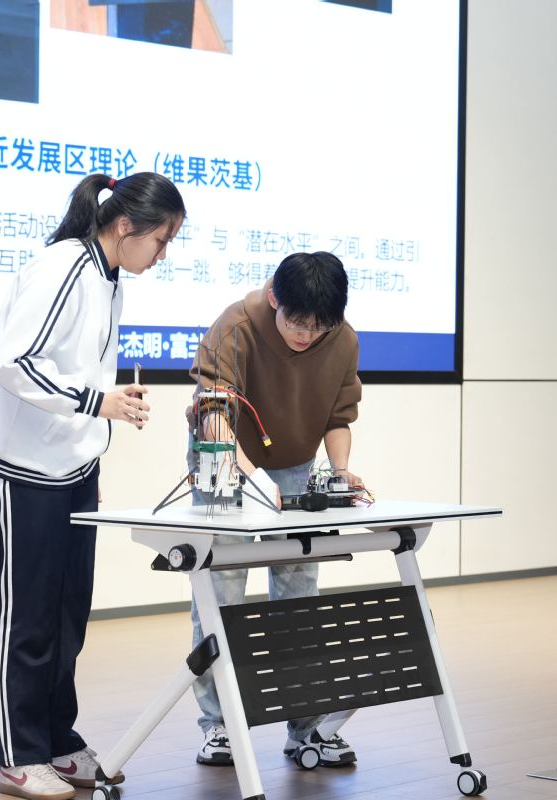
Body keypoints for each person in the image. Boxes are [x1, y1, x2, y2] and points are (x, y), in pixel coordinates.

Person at [0, 172, 185, 800]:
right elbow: (14, 363)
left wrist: (96, 431)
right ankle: (19, 756)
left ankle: (57, 741)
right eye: (162, 240)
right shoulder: (62, 267)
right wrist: (99, 402)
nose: (163, 254)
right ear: (125, 226)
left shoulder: (109, 277)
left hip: (70, 466)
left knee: (68, 614)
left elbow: (76, 371)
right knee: (28, 614)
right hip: (20, 466)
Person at [185, 251, 364, 768]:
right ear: (273, 299)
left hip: (295, 461)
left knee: (298, 587)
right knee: (221, 587)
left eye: (318, 326)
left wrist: (340, 470)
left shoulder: (342, 339)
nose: (306, 335)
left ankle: (305, 727)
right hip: (223, 458)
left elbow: (338, 417)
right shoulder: (235, 326)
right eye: (296, 322)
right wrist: (253, 477)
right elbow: (213, 413)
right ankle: (219, 725)